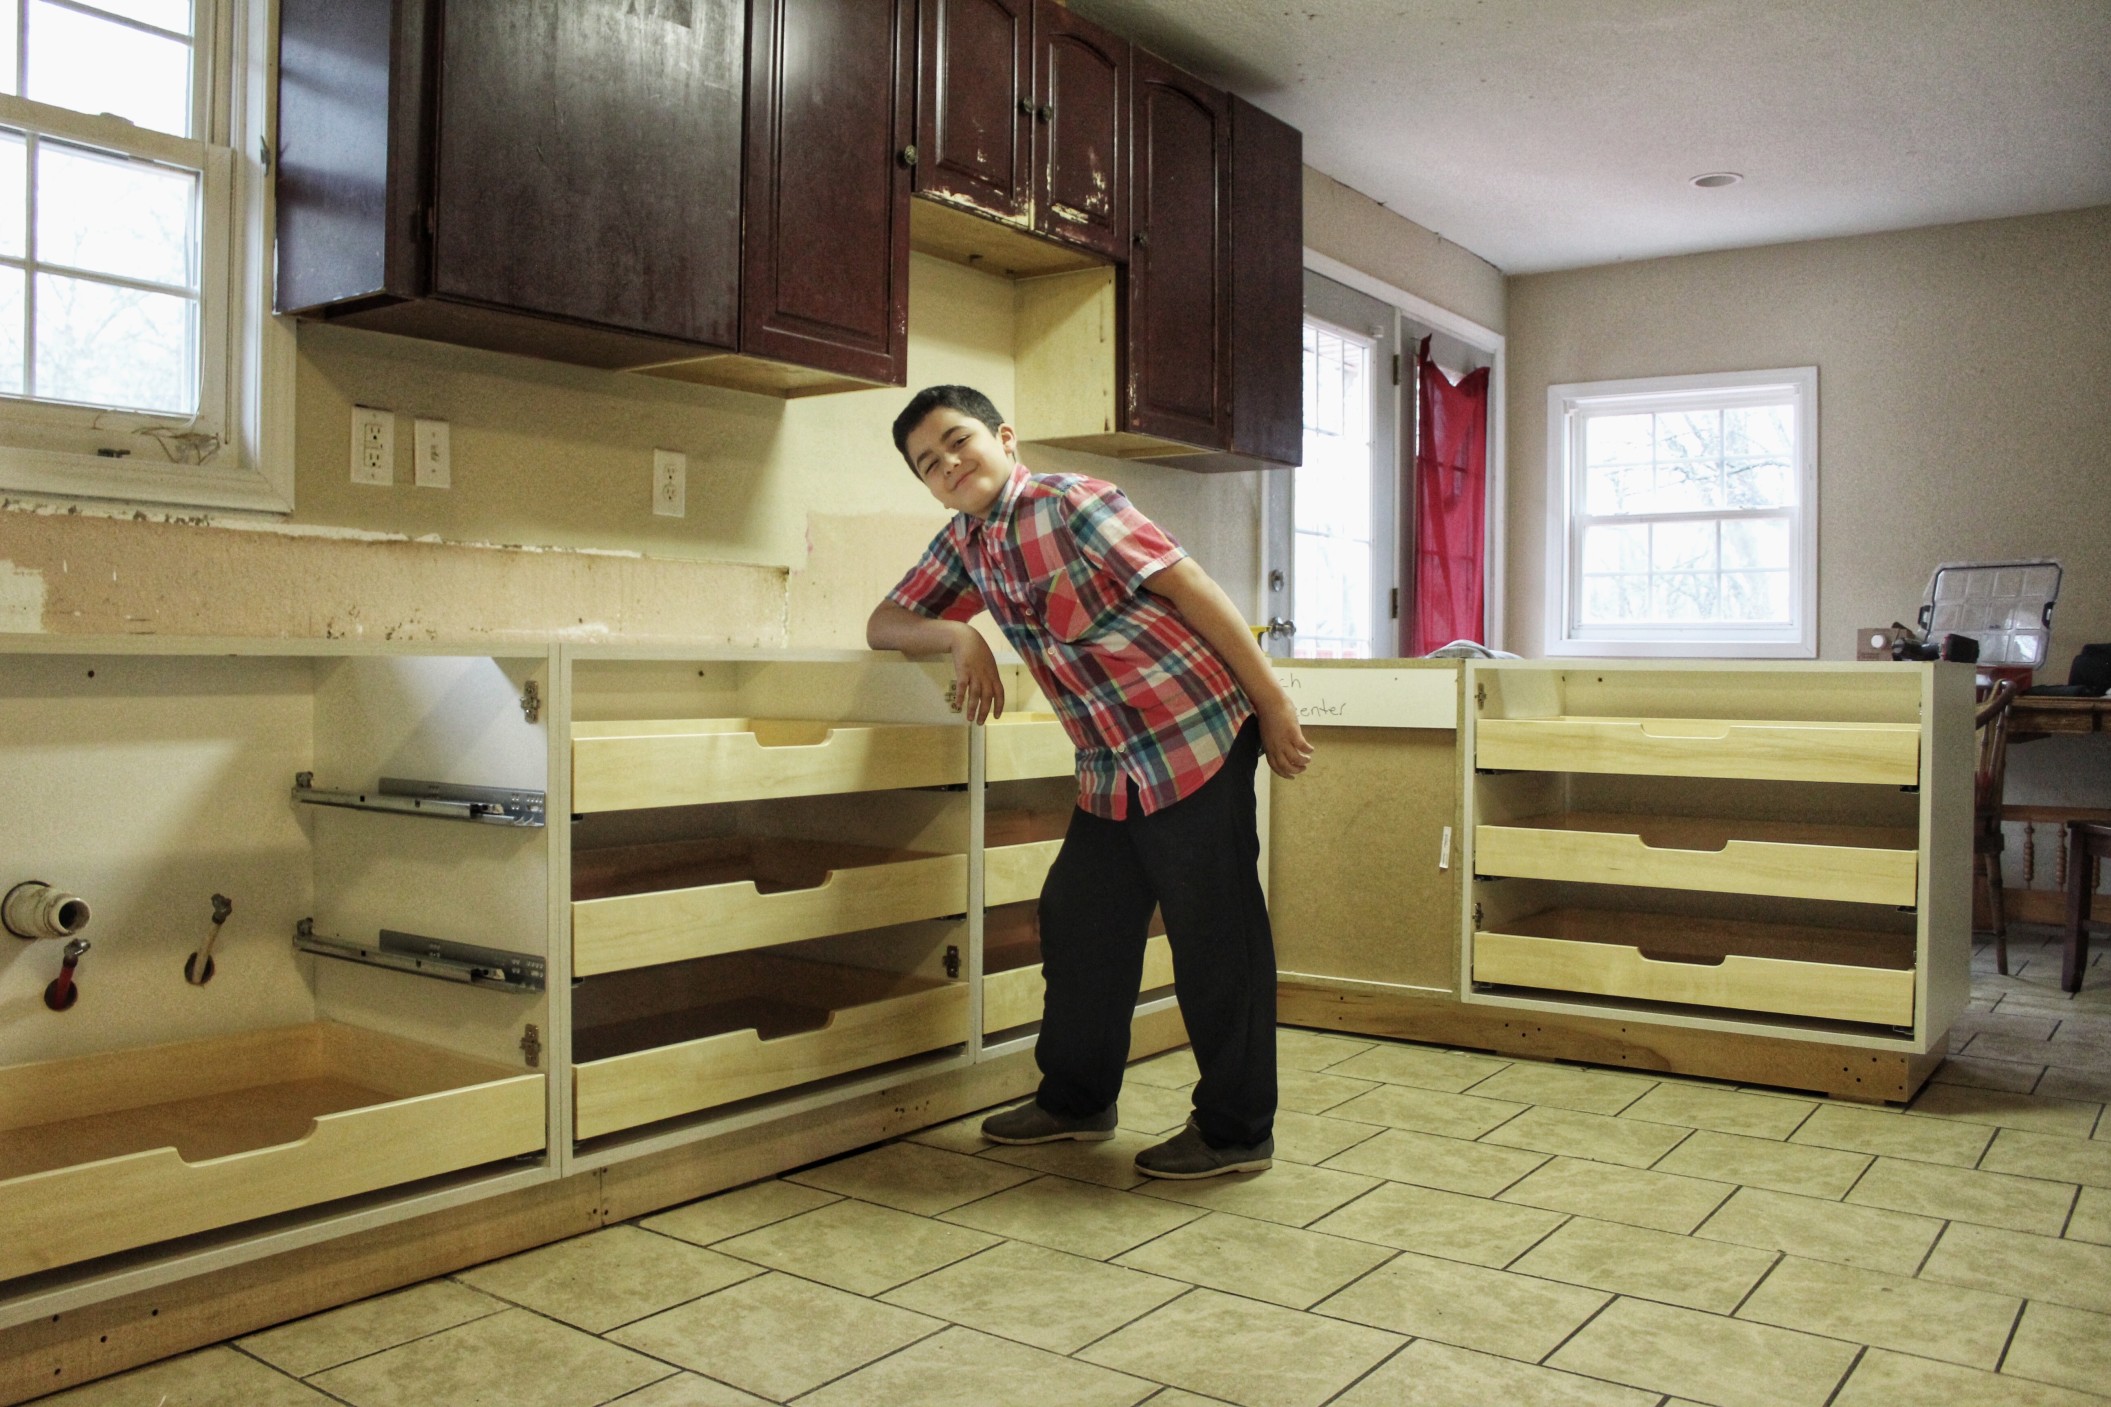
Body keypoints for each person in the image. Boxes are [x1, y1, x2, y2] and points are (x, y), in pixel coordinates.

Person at [866, 385, 1313, 1179]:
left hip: (1194, 731)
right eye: (928, 465)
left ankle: (1237, 1130)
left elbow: (1192, 589)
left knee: (1214, 932)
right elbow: (884, 621)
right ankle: (1075, 1100)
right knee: (1079, 915)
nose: (949, 465)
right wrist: (955, 631)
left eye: (958, 441)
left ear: (1004, 436)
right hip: (1113, 762)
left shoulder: (1073, 502)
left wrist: (1272, 700)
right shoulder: (965, 543)